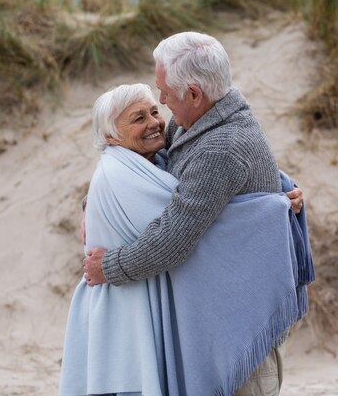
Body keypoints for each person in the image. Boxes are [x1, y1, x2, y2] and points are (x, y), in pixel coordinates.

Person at [82, 32, 312, 395]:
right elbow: (151, 173)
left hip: (237, 336)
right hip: (218, 324)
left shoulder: (220, 147)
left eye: (165, 93)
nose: (161, 101)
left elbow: (172, 240)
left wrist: (108, 268)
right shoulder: (195, 123)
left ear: (194, 93)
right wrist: (99, 204)